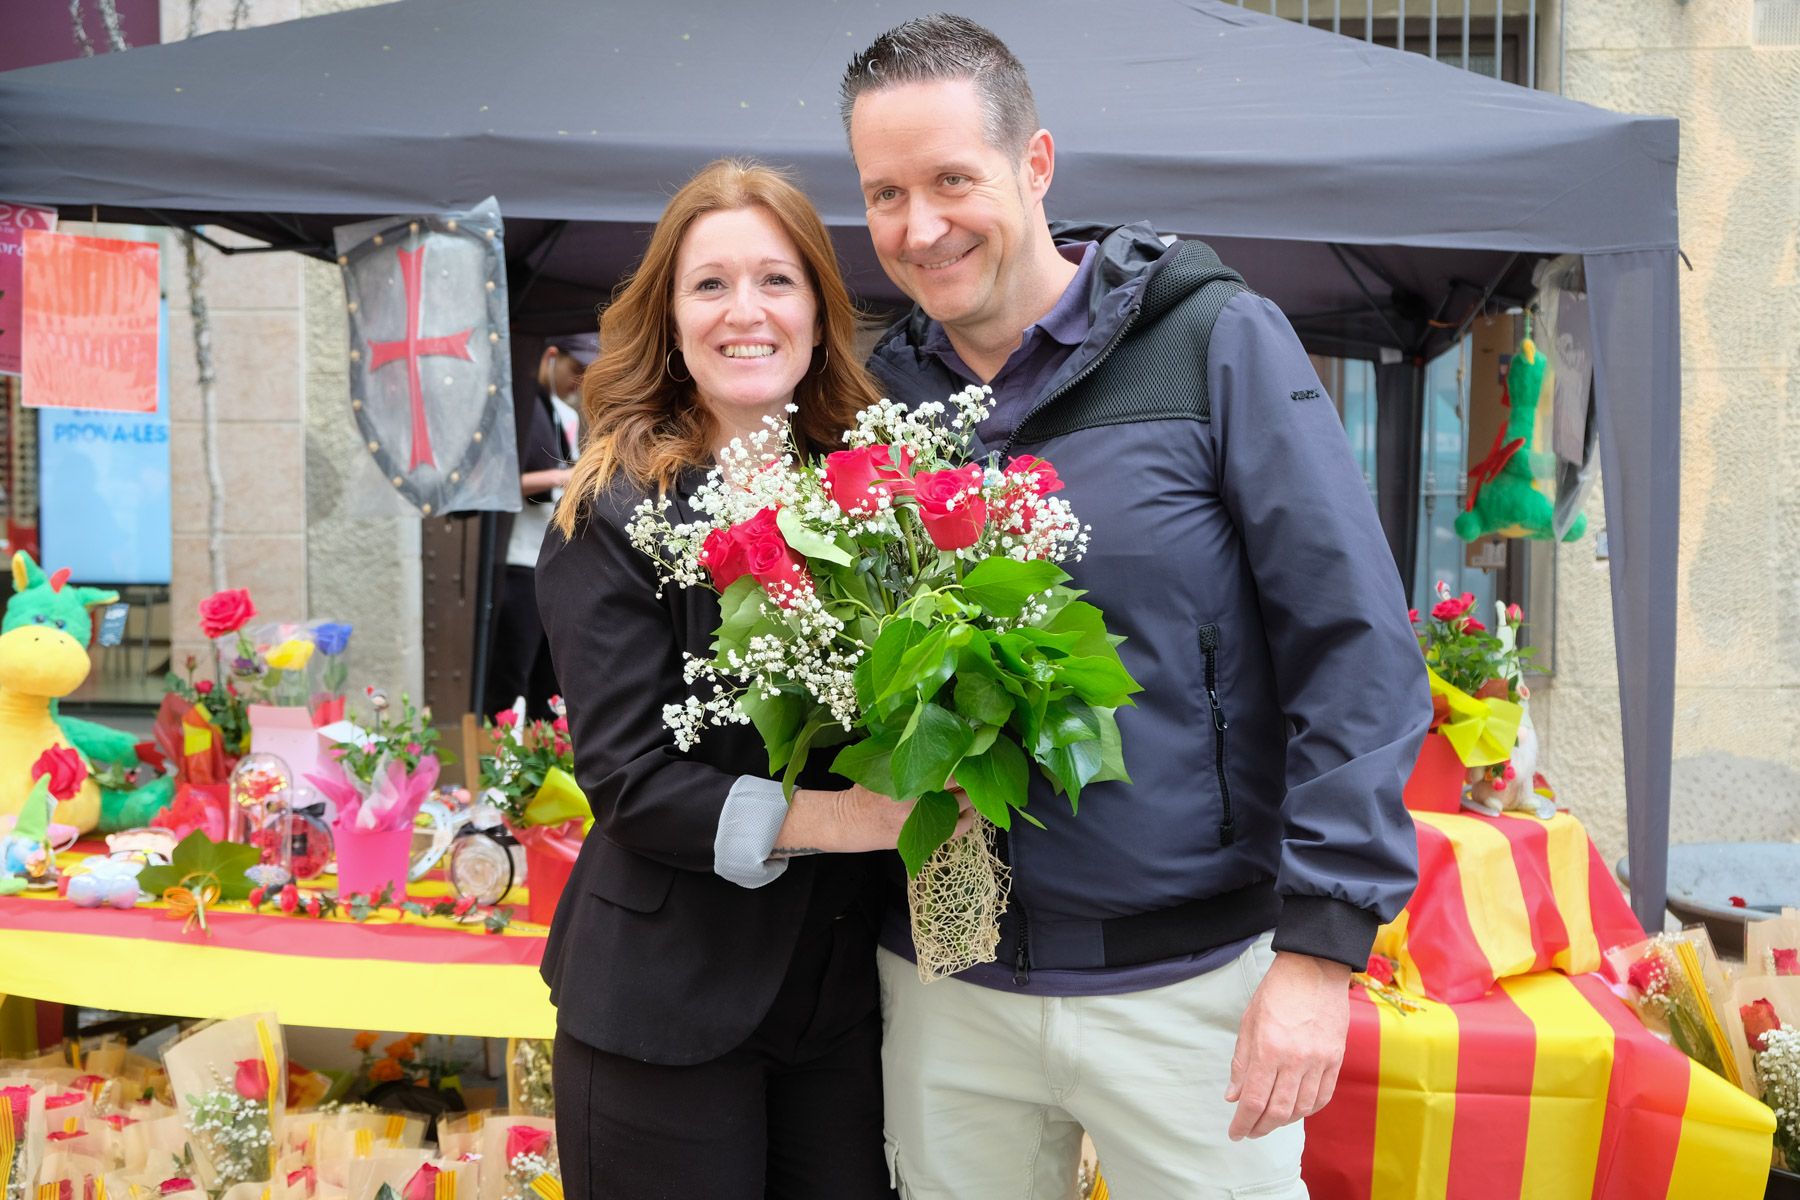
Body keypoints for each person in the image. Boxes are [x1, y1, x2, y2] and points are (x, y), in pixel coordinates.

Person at [835, 16, 1433, 1199]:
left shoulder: (1211, 344)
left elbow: (1356, 646)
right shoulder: (879, 396)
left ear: (1036, 163)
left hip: (1193, 990)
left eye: (953, 179)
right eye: (885, 193)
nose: (920, 227)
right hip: (948, 987)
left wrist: (1320, 955)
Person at [537, 158, 966, 1199]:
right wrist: (857, 819)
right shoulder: (616, 510)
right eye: (711, 284)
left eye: (777, 281)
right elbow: (629, 778)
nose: (746, 312)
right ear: (671, 317)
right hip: (664, 1010)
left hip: (841, 1007)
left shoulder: (884, 498)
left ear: (820, 312)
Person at [483, 333, 592, 721]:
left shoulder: (564, 414)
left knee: (550, 686)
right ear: (550, 356)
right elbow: (498, 484)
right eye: (573, 369)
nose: (577, 381)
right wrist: (562, 477)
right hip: (517, 557)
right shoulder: (519, 407)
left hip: (555, 562)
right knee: (510, 678)